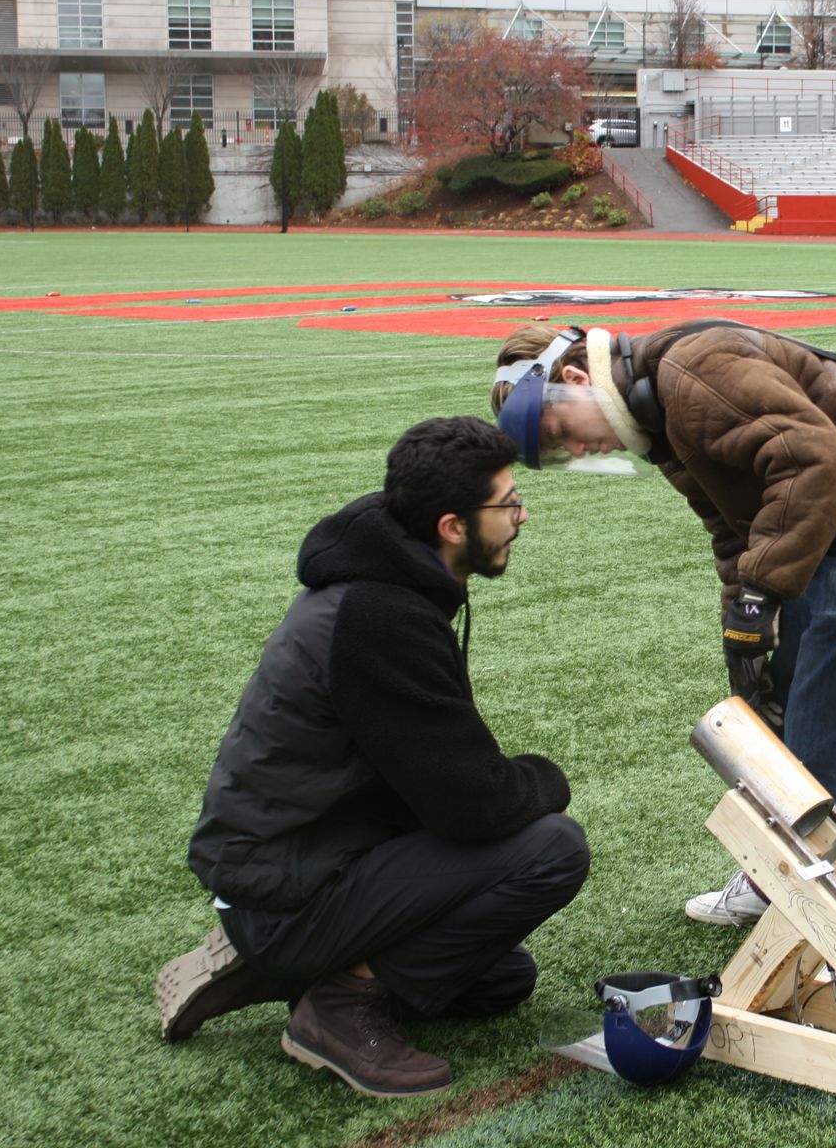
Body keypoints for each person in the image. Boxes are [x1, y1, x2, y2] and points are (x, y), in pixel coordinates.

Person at [156, 416, 588, 1099]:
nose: (522, 516)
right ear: (451, 526)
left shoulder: (383, 583)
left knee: (504, 979)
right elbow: (472, 804)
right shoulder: (379, 619)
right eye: (507, 504)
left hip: (296, 861)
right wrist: (547, 779)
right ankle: (332, 1008)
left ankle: (286, 967)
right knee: (552, 848)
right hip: (285, 890)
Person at [490, 322, 836, 926]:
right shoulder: (657, 413)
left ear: (577, 381)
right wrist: (742, 629)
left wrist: (761, 592)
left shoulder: (692, 374)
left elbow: (813, 457)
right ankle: (778, 884)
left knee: (834, 739)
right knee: (783, 712)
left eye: (560, 435)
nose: (576, 452)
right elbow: (731, 527)